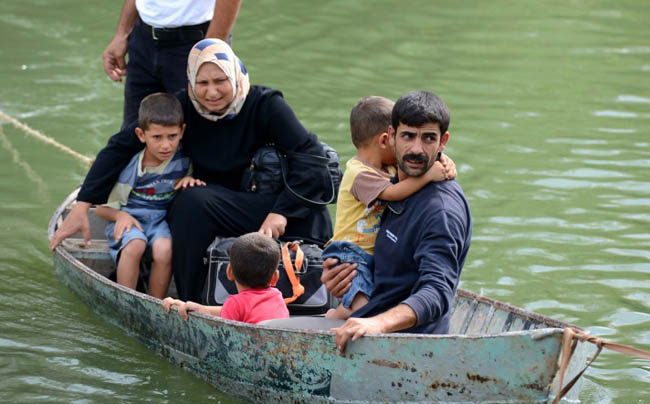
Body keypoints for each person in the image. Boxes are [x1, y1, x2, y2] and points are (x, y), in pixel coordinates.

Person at [50, 39, 334, 303]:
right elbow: (120, 146)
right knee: (188, 202)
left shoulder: (265, 105)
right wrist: (83, 204)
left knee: (314, 217)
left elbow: (311, 157)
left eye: (221, 80)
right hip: (218, 206)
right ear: (191, 81)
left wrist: (281, 211)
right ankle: (190, 303)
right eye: (203, 82)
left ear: (235, 75)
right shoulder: (185, 106)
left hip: (269, 206)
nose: (211, 92)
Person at [321, 90, 472, 354]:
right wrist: (337, 278)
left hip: (406, 347)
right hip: (365, 323)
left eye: (428, 139)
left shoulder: (441, 211)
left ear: (443, 141)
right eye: (408, 136)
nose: (416, 149)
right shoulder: (389, 183)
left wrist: (377, 323)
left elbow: (437, 293)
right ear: (390, 137)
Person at [95, 92, 205, 298]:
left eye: (172, 136)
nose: (166, 145)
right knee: (136, 245)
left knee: (166, 249)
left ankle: (155, 304)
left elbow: (191, 179)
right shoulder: (132, 167)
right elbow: (101, 208)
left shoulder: (183, 161)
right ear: (141, 135)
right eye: (157, 137)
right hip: (129, 218)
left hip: (159, 221)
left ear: (182, 131)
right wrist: (120, 216)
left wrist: (189, 181)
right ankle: (126, 300)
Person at [102, 0, 242, 128]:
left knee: (202, 136)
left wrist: (209, 51)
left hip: (196, 42)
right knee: (136, 131)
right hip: (143, 38)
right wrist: (122, 33)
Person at [162, 232, 290, 324]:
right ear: (275, 277)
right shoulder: (277, 296)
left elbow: (223, 336)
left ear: (229, 272)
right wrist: (202, 309)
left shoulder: (235, 303)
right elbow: (240, 310)